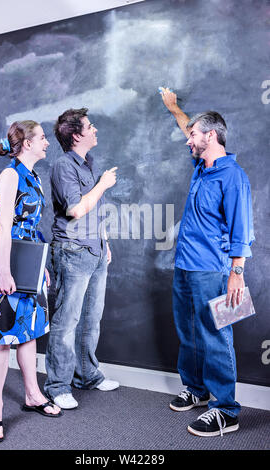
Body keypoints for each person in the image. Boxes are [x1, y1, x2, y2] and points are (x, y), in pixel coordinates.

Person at [160, 88, 255, 437]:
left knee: (216, 335)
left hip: (215, 270)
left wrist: (236, 274)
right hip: (185, 266)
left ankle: (226, 410)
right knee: (189, 332)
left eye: (194, 136)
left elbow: (242, 231)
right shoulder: (201, 165)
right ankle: (197, 390)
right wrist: (173, 108)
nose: (188, 141)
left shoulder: (233, 176)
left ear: (210, 136)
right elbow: (187, 126)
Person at [0, 120, 62, 443]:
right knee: (3, 338)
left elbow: (32, 230)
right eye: (42, 138)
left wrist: (39, 268)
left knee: (29, 332)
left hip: (28, 265)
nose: (46, 142)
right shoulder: (10, 175)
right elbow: (5, 229)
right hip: (7, 265)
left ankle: (33, 395)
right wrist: (4, 272)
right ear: (26, 143)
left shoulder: (33, 177)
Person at [44, 108, 119, 409]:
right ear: (77, 135)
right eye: (90, 126)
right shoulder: (64, 165)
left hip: (95, 250)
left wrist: (105, 242)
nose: (95, 129)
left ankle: (87, 375)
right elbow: (75, 209)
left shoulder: (87, 163)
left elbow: (93, 211)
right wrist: (102, 184)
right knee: (67, 322)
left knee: (91, 319)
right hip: (72, 253)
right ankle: (57, 386)